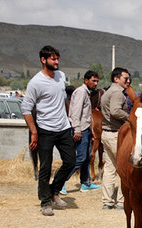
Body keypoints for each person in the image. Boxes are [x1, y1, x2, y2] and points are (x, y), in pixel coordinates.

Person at [21, 45, 76, 217]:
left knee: (71, 162)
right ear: (43, 60)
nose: (57, 61)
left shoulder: (61, 76)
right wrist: (34, 132)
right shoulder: (35, 83)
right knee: (45, 167)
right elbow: (26, 108)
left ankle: (54, 191)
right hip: (44, 130)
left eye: (58, 58)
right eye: (53, 59)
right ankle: (45, 202)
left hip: (63, 127)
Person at [61, 70, 101, 195]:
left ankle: (85, 182)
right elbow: (75, 113)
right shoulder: (81, 92)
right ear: (86, 80)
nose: (95, 84)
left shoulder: (86, 92)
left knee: (87, 157)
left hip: (85, 130)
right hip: (80, 130)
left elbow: (85, 115)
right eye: (93, 81)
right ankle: (61, 181)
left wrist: (90, 130)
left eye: (97, 81)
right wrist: (77, 129)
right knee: (81, 157)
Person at [100, 67, 130, 209]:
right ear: (116, 79)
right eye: (126, 78)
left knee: (110, 168)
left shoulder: (107, 93)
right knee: (123, 168)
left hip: (106, 132)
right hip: (116, 134)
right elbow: (115, 111)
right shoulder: (118, 93)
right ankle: (121, 201)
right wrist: (130, 118)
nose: (128, 81)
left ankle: (107, 201)